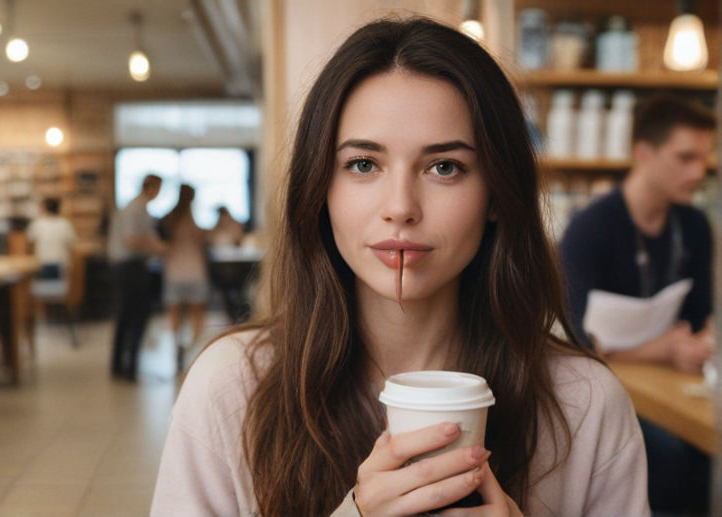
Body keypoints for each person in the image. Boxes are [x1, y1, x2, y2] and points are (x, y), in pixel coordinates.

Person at [152, 17, 648, 517]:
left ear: (497, 193)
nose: (401, 206)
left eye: (444, 167)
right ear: (321, 188)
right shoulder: (233, 387)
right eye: (364, 164)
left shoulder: (585, 404)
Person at [560, 93, 715, 516]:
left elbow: (699, 317)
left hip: (667, 384)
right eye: (685, 158)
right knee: (670, 455)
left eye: (704, 158)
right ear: (643, 154)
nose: (699, 172)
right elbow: (577, 344)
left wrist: (697, 343)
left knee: (699, 457)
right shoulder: (588, 229)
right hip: (604, 387)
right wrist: (662, 349)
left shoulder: (695, 226)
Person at [107, 174, 166, 381]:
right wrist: (158, 248)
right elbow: (132, 241)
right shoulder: (135, 209)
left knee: (127, 316)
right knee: (134, 317)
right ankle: (127, 367)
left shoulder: (138, 209)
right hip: (129, 267)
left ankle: (124, 366)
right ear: (151, 188)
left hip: (130, 267)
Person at [160, 184, 210, 372]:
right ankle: (189, 350)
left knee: (175, 317)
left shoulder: (169, 220)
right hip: (194, 271)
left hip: (174, 272)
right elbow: (201, 242)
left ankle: (178, 348)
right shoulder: (190, 221)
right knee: (197, 317)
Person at [26, 197, 77, 280]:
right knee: (58, 290)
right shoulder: (65, 224)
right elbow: (72, 243)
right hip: (61, 263)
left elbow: (29, 241)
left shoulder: (37, 223)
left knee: (42, 290)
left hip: (42, 263)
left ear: (44, 208)